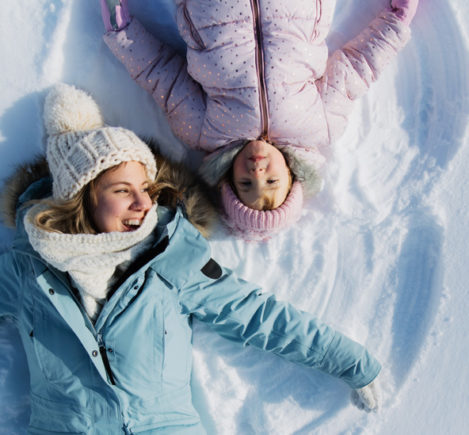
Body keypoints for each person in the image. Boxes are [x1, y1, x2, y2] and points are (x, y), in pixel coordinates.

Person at [0, 83, 380, 433]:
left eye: (146, 188)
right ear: (82, 197)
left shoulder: (172, 257)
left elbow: (258, 316)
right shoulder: (28, 268)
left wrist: (351, 362)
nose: (143, 203)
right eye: (122, 190)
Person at [99, 0, 419, 240]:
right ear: (292, 177)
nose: (257, 171)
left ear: (228, 180)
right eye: (271, 181)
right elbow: (357, 68)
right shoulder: (318, 126)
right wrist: (396, 21)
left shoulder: (203, 131)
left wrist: (123, 31)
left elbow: (162, 76)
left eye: (246, 184)